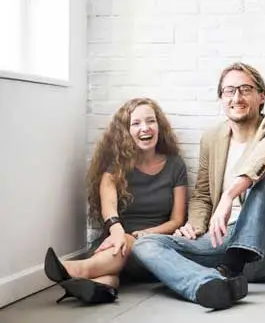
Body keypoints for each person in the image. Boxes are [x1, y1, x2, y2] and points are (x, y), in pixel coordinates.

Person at [131, 63, 265, 310]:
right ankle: (210, 285)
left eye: (245, 89)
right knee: (145, 244)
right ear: (221, 98)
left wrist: (230, 195)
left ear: (262, 97)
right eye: (229, 91)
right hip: (219, 241)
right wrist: (194, 226)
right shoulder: (212, 137)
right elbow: (203, 194)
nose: (236, 97)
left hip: (264, 247)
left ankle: (234, 262)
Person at [44, 98, 187, 305]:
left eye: (150, 121)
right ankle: (102, 290)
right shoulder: (115, 167)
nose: (145, 128)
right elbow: (109, 207)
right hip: (114, 242)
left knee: (126, 244)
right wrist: (117, 231)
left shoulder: (175, 164)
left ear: (159, 125)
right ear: (125, 131)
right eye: (136, 123)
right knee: (108, 278)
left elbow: (177, 220)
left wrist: (146, 234)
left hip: (153, 248)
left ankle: (76, 269)